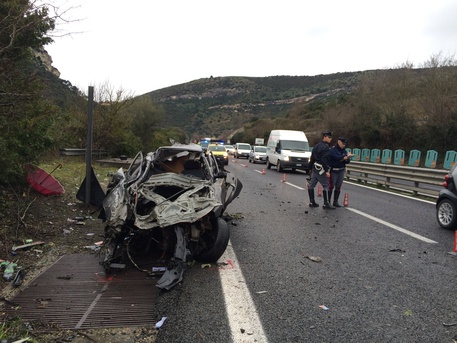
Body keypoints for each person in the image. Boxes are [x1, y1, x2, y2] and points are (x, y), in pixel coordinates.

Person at [307, 131, 335, 209]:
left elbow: (312, 158)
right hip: (321, 169)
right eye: (329, 137)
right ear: (324, 137)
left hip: (315, 168)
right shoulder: (325, 147)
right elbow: (324, 160)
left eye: (331, 137)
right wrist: (326, 171)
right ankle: (326, 203)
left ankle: (312, 202)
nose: (330, 139)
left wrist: (309, 168)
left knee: (311, 185)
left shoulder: (316, 146)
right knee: (326, 185)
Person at [328, 137, 354, 207]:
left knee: (338, 186)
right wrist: (343, 157)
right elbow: (335, 157)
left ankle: (335, 201)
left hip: (341, 170)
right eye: (343, 143)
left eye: (345, 144)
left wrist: (347, 157)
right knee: (331, 186)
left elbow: (347, 161)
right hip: (333, 170)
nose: (344, 145)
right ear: (339, 142)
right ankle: (328, 201)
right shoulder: (332, 150)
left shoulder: (344, 151)